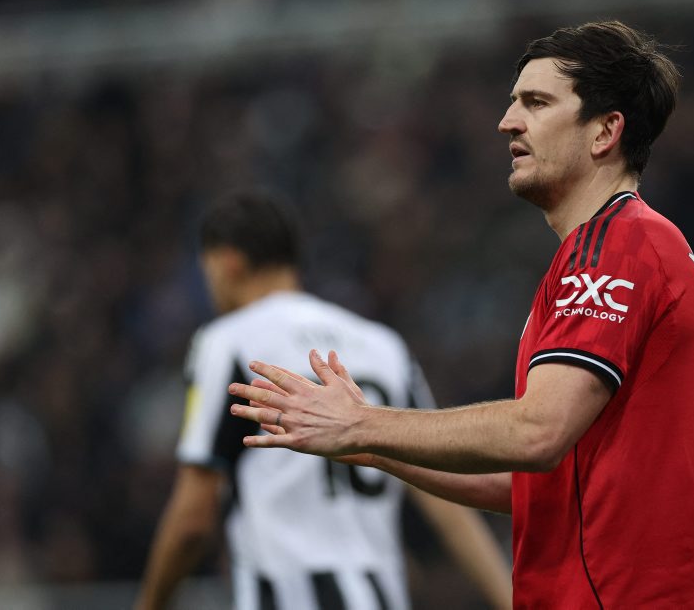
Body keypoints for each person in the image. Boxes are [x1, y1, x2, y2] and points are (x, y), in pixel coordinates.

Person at [229, 21, 694, 608]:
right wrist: (369, 445)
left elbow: (537, 432)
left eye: (536, 103)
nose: (507, 121)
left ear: (605, 132)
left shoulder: (615, 246)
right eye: (514, 102)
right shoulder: (610, 250)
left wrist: (363, 422)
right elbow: (533, 483)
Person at [135, 193, 512, 610]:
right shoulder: (384, 344)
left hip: (287, 594)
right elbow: (447, 501)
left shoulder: (227, 341)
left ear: (228, 263)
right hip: (381, 595)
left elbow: (192, 517)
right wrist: (509, 599)